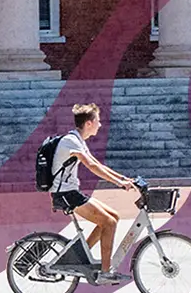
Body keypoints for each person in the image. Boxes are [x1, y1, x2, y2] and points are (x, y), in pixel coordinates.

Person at [49, 104, 138, 282]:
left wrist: (125, 179)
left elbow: (98, 164)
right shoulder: (71, 141)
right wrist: (119, 183)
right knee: (109, 223)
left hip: (71, 191)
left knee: (114, 216)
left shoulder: (78, 140)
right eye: (98, 120)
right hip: (65, 193)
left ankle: (80, 257)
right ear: (89, 123)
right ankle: (105, 273)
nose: (100, 124)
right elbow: (92, 166)